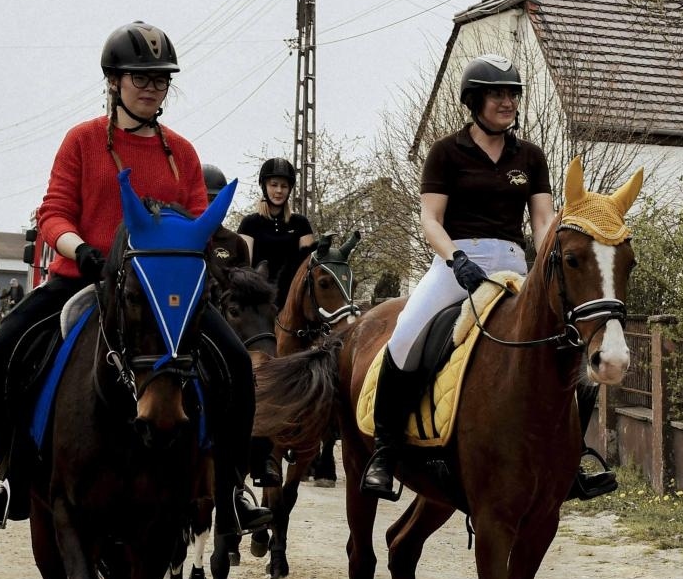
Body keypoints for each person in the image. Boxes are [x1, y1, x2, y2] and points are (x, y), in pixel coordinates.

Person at [0, 20, 273, 535]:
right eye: (141, 77)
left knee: (238, 365)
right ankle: (11, 479)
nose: (153, 88)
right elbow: (53, 213)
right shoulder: (83, 141)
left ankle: (234, 488)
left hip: (160, 294)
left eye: (161, 79)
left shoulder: (184, 153)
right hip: (82, 278)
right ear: (114, 81)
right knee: (0, 354)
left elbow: (200, 222)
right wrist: (82, 250)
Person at [362, 53, 583, 499]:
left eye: (512, 95)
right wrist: (455, 257)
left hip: (513, 265)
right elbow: (430, 219)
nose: (507, 102)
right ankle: (385, 453)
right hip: (456, 261)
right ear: (474, 100)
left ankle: (572, 457)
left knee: (566, 343)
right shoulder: (445, 152)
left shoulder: (531, 157)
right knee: (405, 335)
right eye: (497, 94)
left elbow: (541, 223)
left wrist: (550, 261)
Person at [237, 156, 315, 305]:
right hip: (260, 300)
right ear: (264, 186)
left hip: (292, 300)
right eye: (274, 185)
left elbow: (308, 266)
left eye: (284, 186)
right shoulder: (249, 224)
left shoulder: (301, 224)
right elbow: (245, 268)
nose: (279, 190)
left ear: (289, 189)